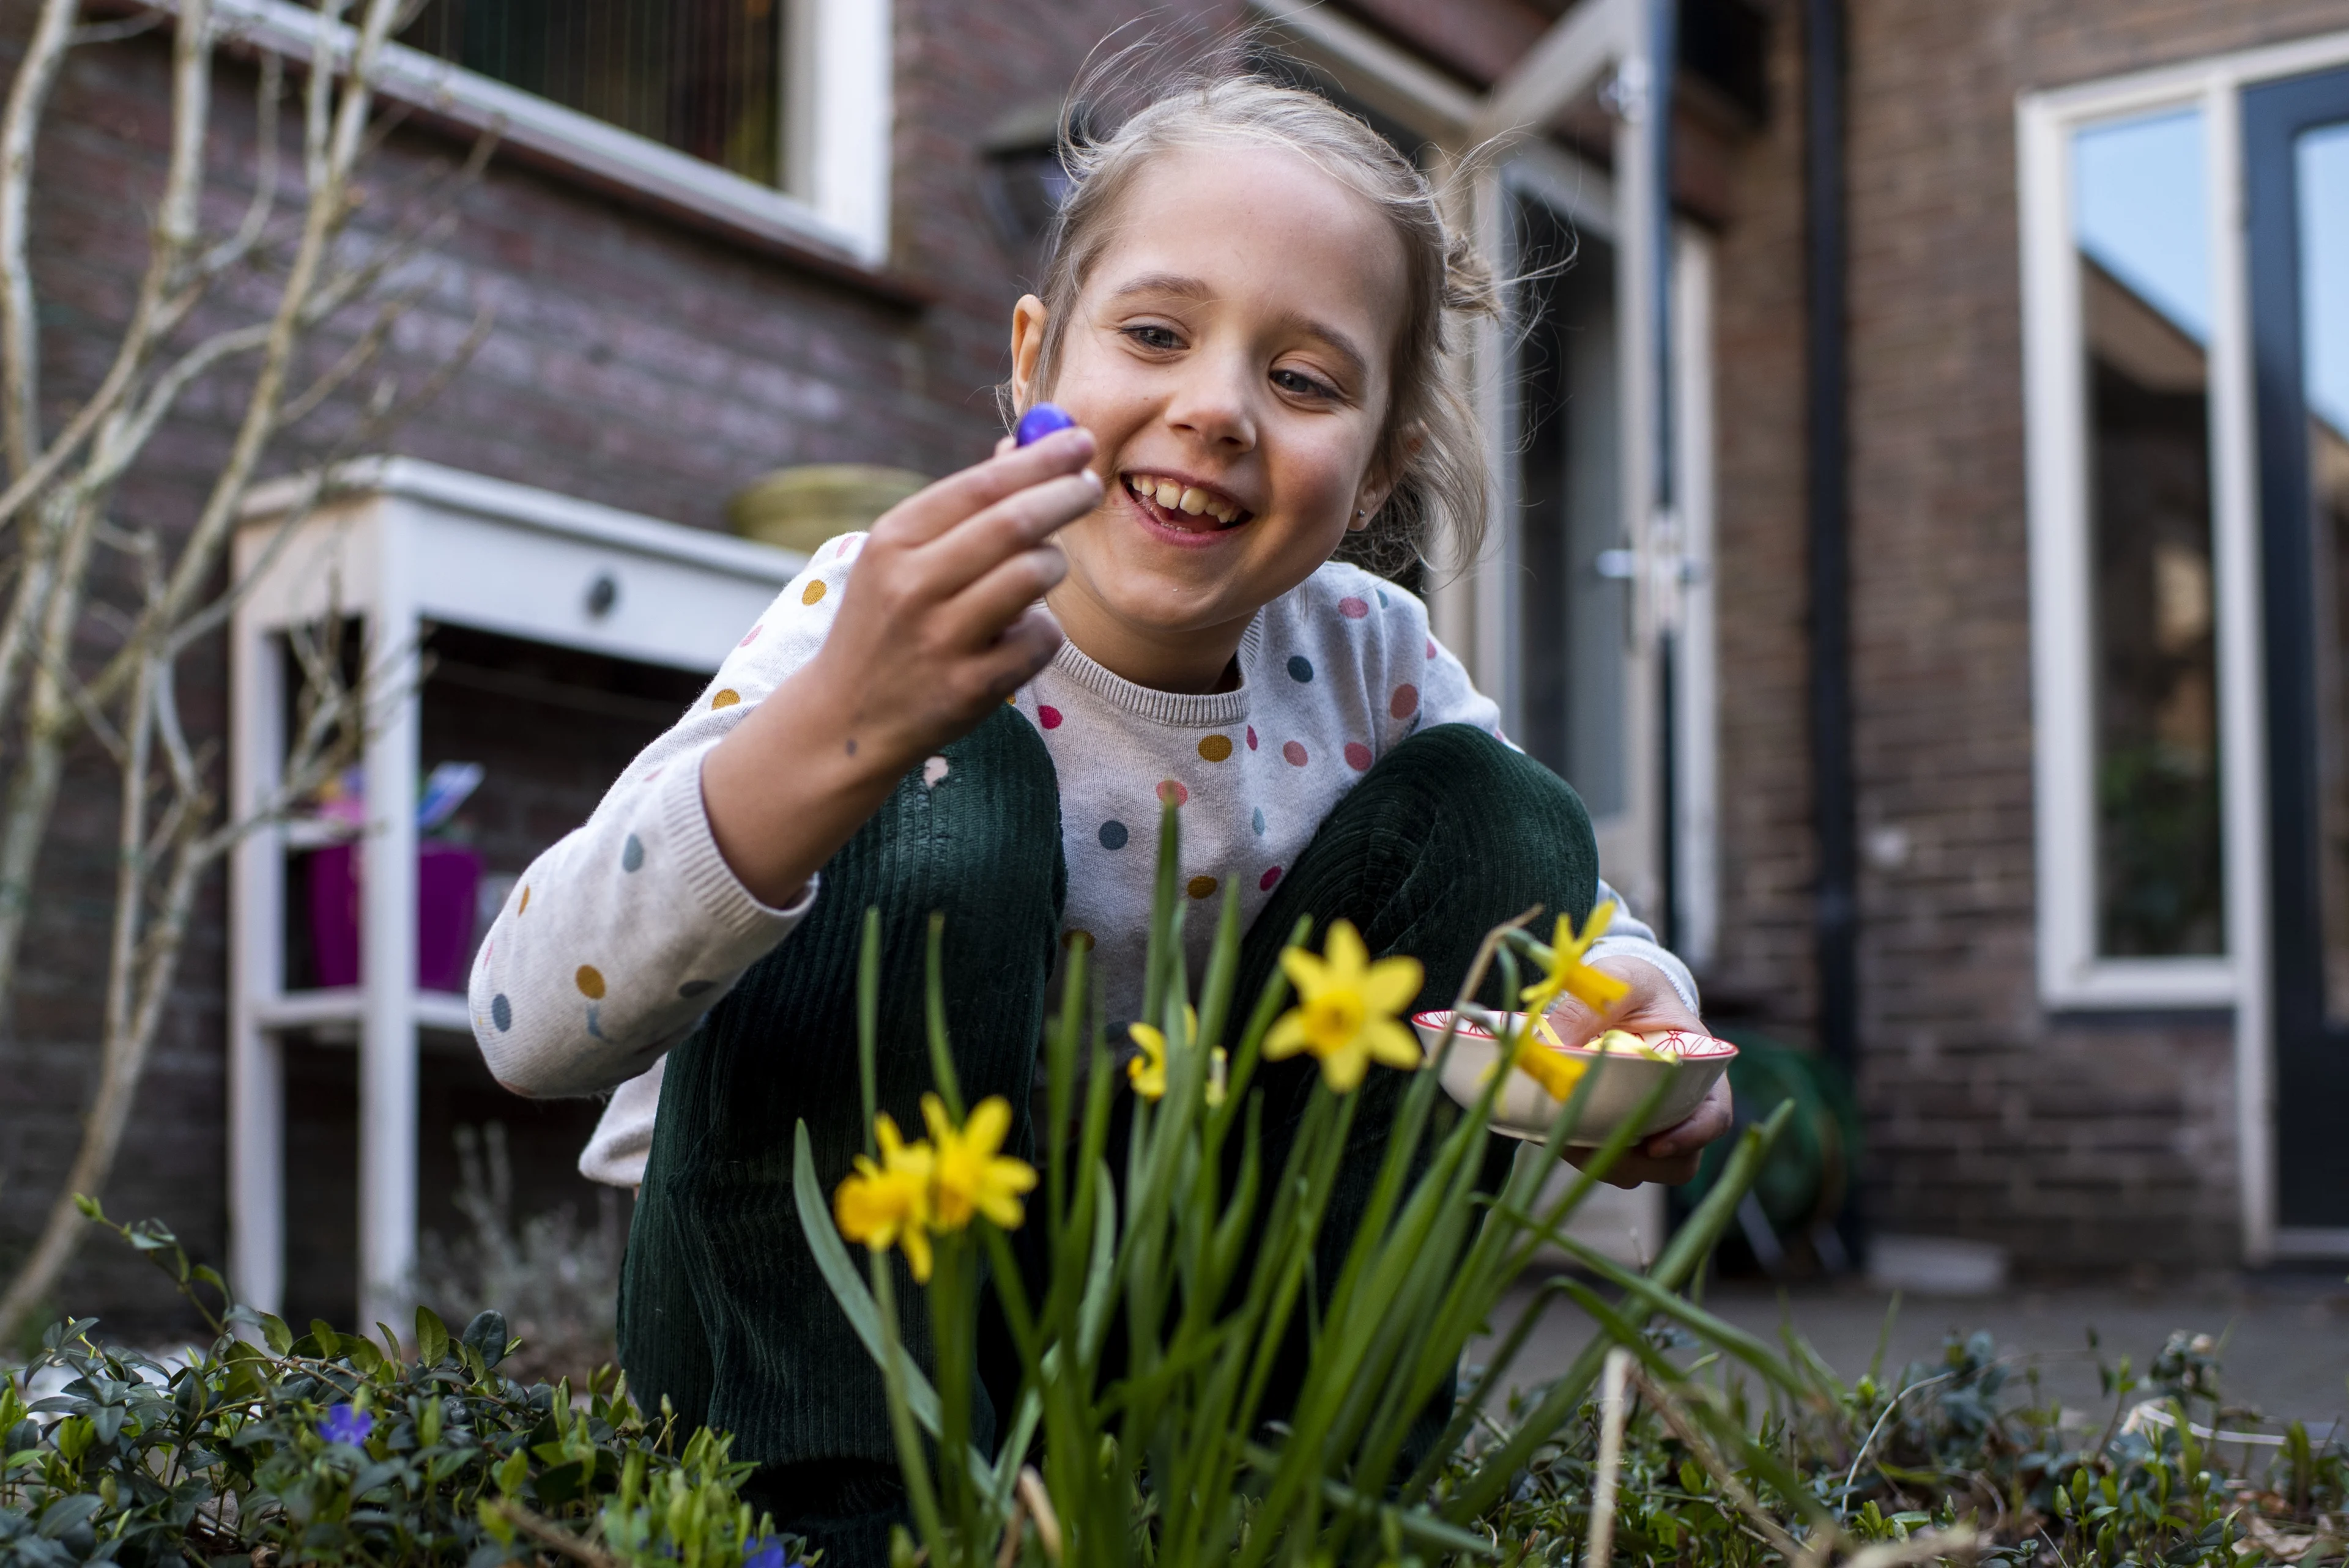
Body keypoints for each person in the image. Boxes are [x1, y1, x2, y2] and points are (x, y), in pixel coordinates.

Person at [470, 62, 1730, 1565]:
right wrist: (834, 733)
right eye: (1155, 333)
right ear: (1032, 360)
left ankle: (1300, 1477)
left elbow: (1561, 919)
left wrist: (1636, 1005)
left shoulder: (1373, 655)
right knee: (951, 770)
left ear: (1380, 461)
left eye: (1306, 379)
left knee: (1498, 814)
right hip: (812, 1306)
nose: (1215, 408)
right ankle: (839, 1515)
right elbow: (523, 1025)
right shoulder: (887, 609)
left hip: (1166, 1321)